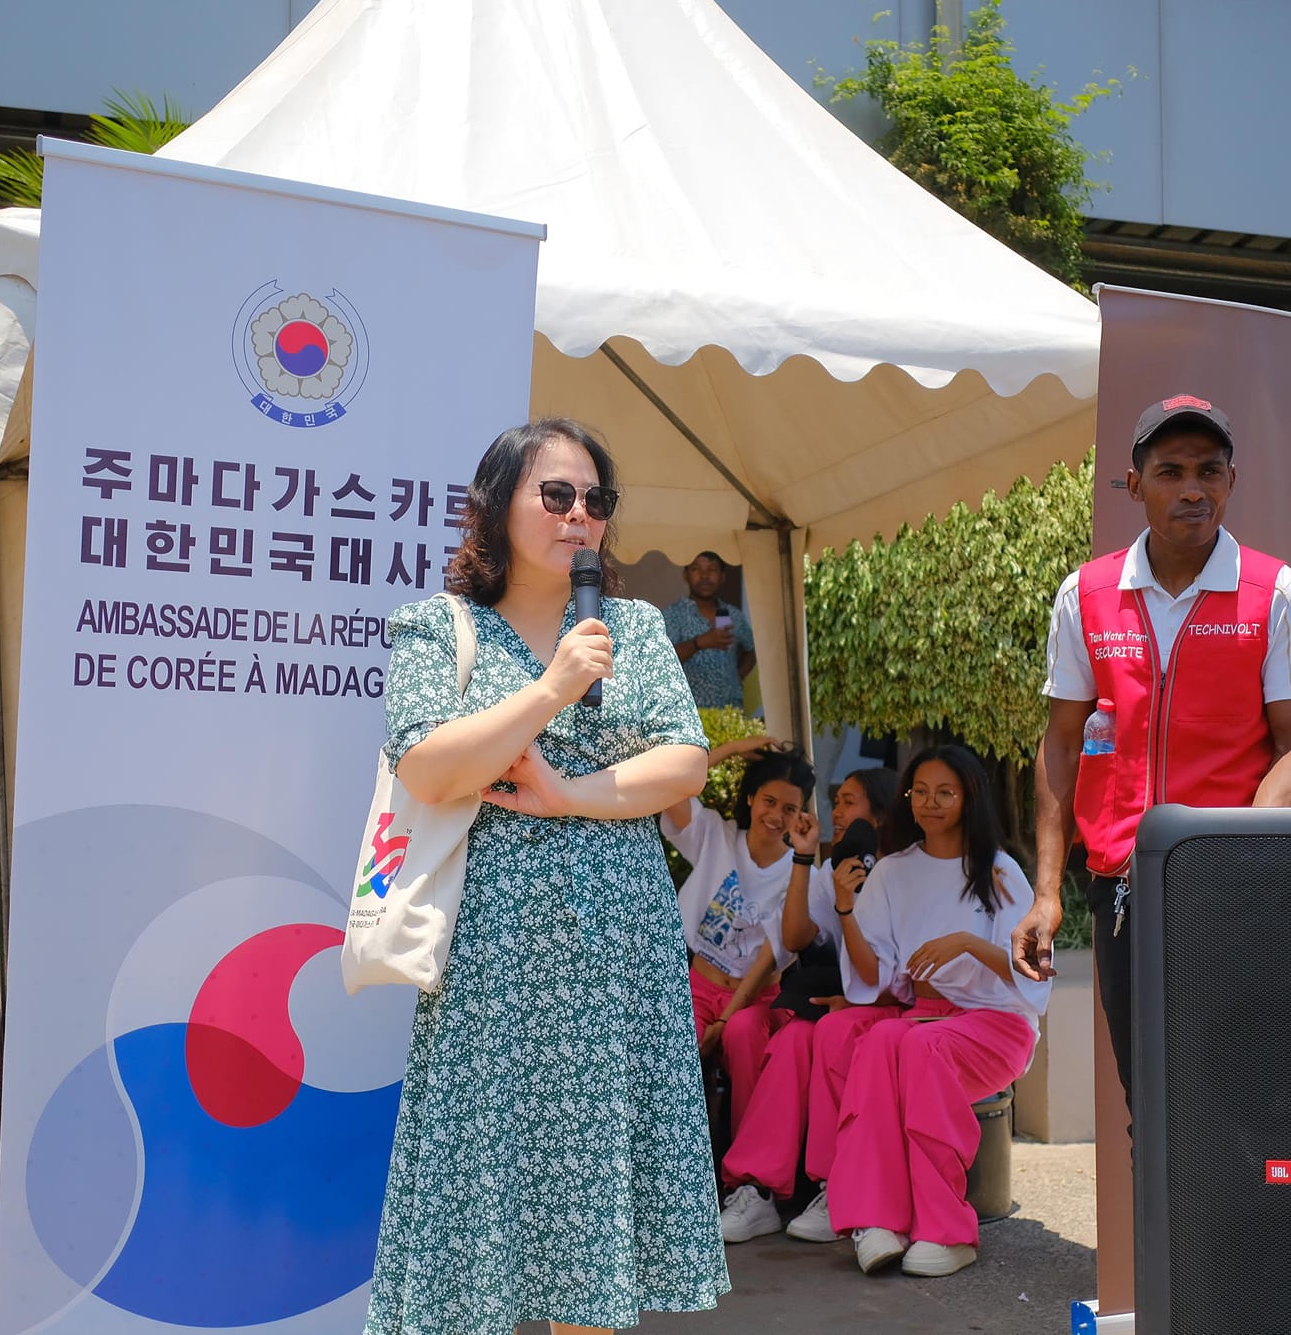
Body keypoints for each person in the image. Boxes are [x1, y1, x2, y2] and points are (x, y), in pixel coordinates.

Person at [364, 418, 725, 1335]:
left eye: (596, 501)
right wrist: (553, 689)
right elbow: (428, 768)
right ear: (494, 506)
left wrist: (565, 792)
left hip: (616, 957)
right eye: (556, 495)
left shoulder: (634, 624)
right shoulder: (437, 628)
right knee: (478, 1211)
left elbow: (684, 763)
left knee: (591, 1225)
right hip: (491, 958)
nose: (580, 516)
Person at [1011, 394, 1291, 1110]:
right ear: (1134, 485)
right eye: (1170, 471)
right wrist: (1044, 895)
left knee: (1242, 1100)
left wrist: (1239, 852)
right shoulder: (1086, 595)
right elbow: (1061, 744)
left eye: (1209, 471)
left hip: (1236, 890)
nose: (1192, 488)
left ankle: (1245, 1227)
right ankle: (1171, 1228)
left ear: (1230, 482)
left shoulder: (1278, 592)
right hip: (1124, 887)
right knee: (1153, 1104)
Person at [812, 745, 1046, 1279]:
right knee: (872, 1041)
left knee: (915, 1046)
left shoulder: (1001, 872)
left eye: (945, 792)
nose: (930, 803)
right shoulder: (893, 872)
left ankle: (947, 1229)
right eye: (920, 792)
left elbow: (1033, 970)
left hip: (998, 1022)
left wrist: (967, 943)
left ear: (969, 798)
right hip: (927, 1014)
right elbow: (873, 978)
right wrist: (846, 907)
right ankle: (875, 1218)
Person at [716, 765, 897, 1245]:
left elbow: (889, 970)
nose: (835, 810)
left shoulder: (898, 872)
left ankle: (798, 1184)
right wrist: (804, 859)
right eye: (836, 800)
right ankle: (761, 1186)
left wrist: (855, 1001)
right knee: (767, 1032)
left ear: (878, 816)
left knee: (804, 1035)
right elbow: (795, 937)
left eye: (849, 802)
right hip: (826, 999)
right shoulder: (830, 868)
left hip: (882, 1002)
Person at [662, 746, 814, 1131]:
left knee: (747, 1047)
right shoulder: (717, 835)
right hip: (697, 988)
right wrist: (733, 749)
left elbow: (770, 957)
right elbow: (671, 782)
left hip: (757, 998)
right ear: (750, 798)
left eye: (790, 809)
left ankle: (748, 1179)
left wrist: (726, 1020)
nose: (777, 816)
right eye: (769, 801)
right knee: (671, 1065)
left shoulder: (798, 870)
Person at [664, 551, 755, 710]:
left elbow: (752, 649)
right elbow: (664, 659)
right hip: (690, 714)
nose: (704, 576)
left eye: (712, 569)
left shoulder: (732, 615)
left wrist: (738, 676)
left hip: (730, 713)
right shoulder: (673, 614)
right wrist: (698, 643)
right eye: (696, 569)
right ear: (686, 575)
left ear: (722, 576)